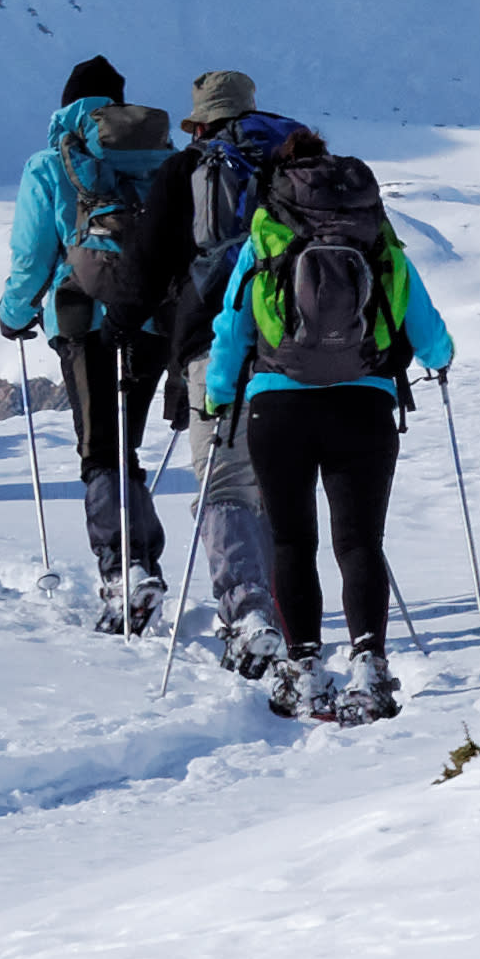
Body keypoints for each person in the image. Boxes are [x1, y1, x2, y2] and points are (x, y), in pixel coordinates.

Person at [193, 133, 456, 721]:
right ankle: (370, 666)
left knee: (292, 542)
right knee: (360, 541)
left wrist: (217, 396)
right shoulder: (376, 236)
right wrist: (439, 359)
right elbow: (426, 326)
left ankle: (304, 668)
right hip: (364, 402)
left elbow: (232, 327)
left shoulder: (266, 237)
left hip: (277, 405)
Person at [0, 57, 187, 625]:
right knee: (122, 444)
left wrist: (14, 313)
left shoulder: (51, 164)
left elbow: (32, 255)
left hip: (86, 322)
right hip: (154, 322)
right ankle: (138, 560)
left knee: (101, 451)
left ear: (68, 106)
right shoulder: (167, 162)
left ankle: (123, 569)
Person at [162, 68, 310, 675]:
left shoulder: (192, 169)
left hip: (214, 343)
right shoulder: (303, 160)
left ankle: (247, 613)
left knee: (223, 482)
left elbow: (155, 263)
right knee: (281, 481)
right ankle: (286, 607)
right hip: (300, 344)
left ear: (202, 122)